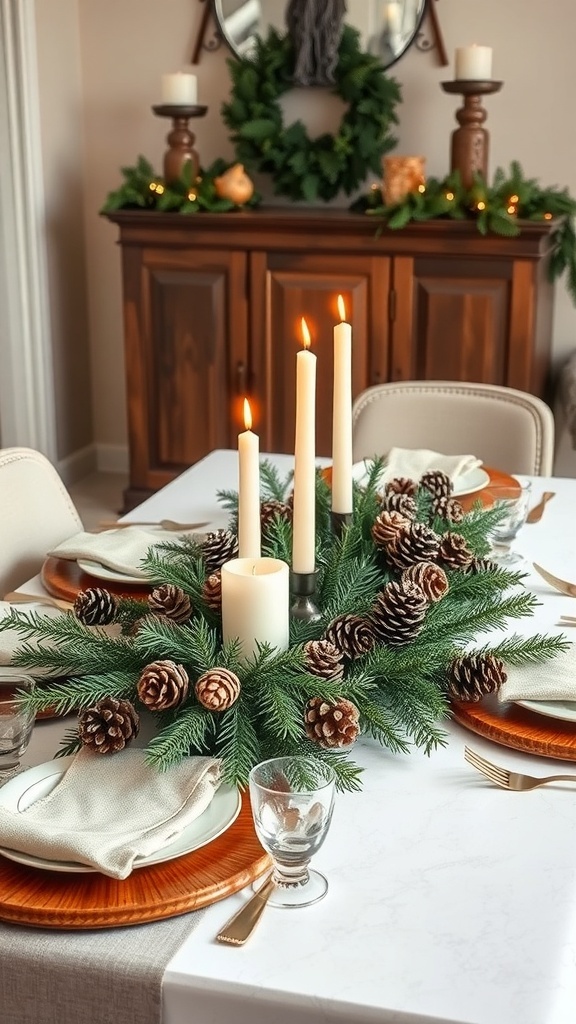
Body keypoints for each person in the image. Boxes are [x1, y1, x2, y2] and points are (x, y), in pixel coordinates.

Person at [285, 0, 347, 86]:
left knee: (324, 40)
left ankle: (323, 72)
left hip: (325, 31)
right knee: (307, 39)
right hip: (306, 33)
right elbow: (291, 16)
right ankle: (307, 71)